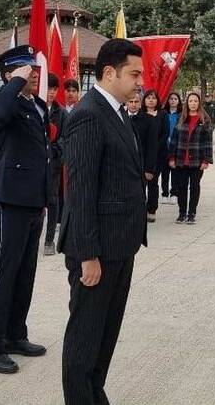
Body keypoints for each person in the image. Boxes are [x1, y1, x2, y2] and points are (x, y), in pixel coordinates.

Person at [59, 38, 147, 404]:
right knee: (85, 338)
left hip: (119, 245)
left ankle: (95, 394)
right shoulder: (88, 114)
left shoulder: (116, 111)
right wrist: (88, 255)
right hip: (96, 251)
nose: (141, 81)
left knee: (106, 336)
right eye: (135, 73)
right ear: (109, 72)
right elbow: (80, 191)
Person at [0, 45, 50, 374]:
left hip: (33, 198)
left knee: (25, 272)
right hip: (8, 199)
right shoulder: (0, 100)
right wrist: (12, 83)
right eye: (26, 69)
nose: (33, 73)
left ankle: (15, 335)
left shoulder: (36, 105)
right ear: (9, 74)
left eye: (33, 68)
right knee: (5, 272)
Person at [168, 92, 214, 224]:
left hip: (197, 160)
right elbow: (174, 140)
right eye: (190, 101)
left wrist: (206, 160)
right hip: (181, 159)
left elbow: (208, 142)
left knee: (194, 187)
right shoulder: (181, 118)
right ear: (186, 103)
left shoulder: (204, 120)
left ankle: (192, 213)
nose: (193, 103)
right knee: (181, 187)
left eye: (195, 101)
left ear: (199, 103)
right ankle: (182, 213)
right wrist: (171, 157)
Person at [43, 73, 67, 256]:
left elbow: (67, 138)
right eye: (47, 88)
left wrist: (54, 149)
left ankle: (49, 239)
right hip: (34, 163)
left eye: (53, 89)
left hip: (53, 163)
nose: (50, 93)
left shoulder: (62, 113)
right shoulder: (34, 108)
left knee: (53, 200)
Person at [133, 90, 161, 222]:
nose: (133, 104)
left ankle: (149, 210)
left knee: (146, 188)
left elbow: (152, 146)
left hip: (143, 162)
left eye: (136, 102)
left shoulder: (149, 120)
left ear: (140, 103)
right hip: (126, 163)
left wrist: (149, 168)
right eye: (130, 101)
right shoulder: (120, 118)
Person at [159, 92, 183, 201]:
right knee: (165, 172)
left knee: (175, 172)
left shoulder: (181, 115)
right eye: (171, 99)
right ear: (168, 101)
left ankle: (174, 193)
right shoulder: (163, 113)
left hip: (176, 147)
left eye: (175, 99)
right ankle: (164, 193)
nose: (173, 101)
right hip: (164, 147)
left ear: (178, 101)